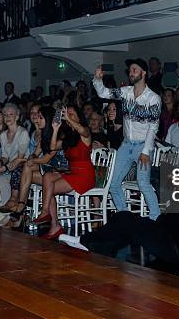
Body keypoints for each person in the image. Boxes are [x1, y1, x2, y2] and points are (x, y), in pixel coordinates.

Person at [93, 58, 162, 219]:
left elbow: (153, 127)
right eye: (130, 70)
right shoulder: (126, 92)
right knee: (113, 183)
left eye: (134, 70)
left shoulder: (153, 98)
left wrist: (146, 151)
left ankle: (155, 218)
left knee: (143, 183)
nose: (131, 73)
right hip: (126, 145)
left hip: (142, 146)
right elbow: (103, 93)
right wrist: (97, 79)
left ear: (143, 72)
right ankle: (125, 217)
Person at [32, 105, 94, 239]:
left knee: (49, 188)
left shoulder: (85, 133)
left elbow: (82, 130)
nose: (68, 117)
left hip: (84, 175)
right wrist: (55, 129)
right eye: (67, 114)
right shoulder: (69, 138)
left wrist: (69, 119)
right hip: (72, 173)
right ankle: (51, 220)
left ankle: (52, 222)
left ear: (79, 117)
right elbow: (53, 147)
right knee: (47, 177)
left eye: (71, 114)